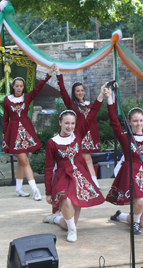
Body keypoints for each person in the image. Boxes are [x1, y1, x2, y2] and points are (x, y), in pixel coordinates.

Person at [42, 85, 106, 242]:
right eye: (66, 123)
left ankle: (56, 219)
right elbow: (49, 168)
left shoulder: (78, 134)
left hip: (80, 177)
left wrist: (101, 95)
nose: (70, 126)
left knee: (68, 221)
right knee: (67, 200)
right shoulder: (52, 142)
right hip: (63, 177)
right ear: (60, 123)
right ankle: (72, 230)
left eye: (72, 123)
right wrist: (48, 192)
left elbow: (91, 114)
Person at [105, 87, 143, 235]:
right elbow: (113, 120)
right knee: (141, 202)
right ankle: (134, 224)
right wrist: (110, 98)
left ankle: (120, 216)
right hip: (133, 175)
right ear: (129, 122)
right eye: (135, 121)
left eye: (141, 120)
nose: (138, 124)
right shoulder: (126, 138)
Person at [2, 67, 56, 201]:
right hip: (14, 133)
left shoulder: (28, 97)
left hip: (26, 133)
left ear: (23, 87)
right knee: (25, 161)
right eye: (17, 86)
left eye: (21, 86)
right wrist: (5, 133)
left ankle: (18, 189)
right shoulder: (7, 100)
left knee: (21, 162)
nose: (19, 88)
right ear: (13, 87)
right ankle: (35, 190)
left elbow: (39, 86)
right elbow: (5, 118)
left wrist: (48, 74)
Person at [57, 65, 102, 189]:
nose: (80, 92)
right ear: (74, 92)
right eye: (77, 91)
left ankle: (90, 182)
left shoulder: (90, 104)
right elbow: (63, 91)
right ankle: (90, 183)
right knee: (84, 159)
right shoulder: (72, 105)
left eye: (82, 90)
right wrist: (59, 75)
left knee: (87, 159)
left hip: (90, 136)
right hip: (79, 135)